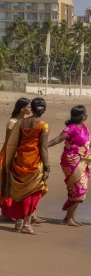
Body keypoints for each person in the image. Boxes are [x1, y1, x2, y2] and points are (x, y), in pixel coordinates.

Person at [0, 98, 51, 234]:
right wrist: (47, 167)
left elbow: (13, 142)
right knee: (32, 193)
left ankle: (18, 222)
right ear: (44, 109)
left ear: (32, 109)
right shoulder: (44, 125)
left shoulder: (21, 123)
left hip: (20, 160)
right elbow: (44, 148)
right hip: (34, 162)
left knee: (19, 192)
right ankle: (27, 224)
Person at [47, 105, 91, 227]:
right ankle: (68, 218)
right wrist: (43, 146)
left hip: (83, 160)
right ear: (84, 116)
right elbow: (58, 139)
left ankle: (71, 217)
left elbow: (88, 142)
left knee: (76, 189)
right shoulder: (71, 128)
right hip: (72, 161)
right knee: (78, 189)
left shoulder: (84, 127)